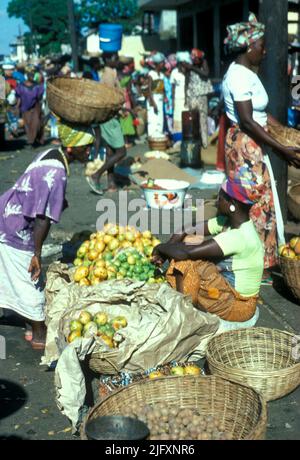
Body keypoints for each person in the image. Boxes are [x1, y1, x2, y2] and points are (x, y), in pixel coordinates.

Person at [0, 122, 95, 349]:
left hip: (9, 213)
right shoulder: (57, 170)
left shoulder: (53, 154)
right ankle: (39, 330)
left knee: (14, 274)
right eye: (87, 147)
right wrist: (37, 253)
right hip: (14, 224)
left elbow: (38, 190)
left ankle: (26, 320)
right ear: (72, 148)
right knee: (30, 279)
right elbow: (42, 217)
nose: (90, 151)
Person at [222, 13, 300, 270]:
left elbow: (260, 114)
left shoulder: (246, 73)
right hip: (246, 146)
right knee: (255, 202)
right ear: (248, 45)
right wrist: (282, 149)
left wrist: (283, 130)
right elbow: (246, 120)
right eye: (261, 45)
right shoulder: (239, 76)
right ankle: (253, 263)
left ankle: (258, 260)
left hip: (253, 141)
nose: (264, 51)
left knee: (260, 201)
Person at [152, 179, 264, 323]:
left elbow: (186, 253)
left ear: (232, 204)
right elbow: (187, 229)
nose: (217, 201)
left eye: (221, 197)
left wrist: (160, 247)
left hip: (238, 306)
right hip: (226, 292)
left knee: (187, 262)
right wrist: (166, 250)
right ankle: (187, 300)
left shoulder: (239, 237)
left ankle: (184, 312)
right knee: (189, 243)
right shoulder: (229, 223)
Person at [86, 53, 127, 194]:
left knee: (110, 152)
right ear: (108, 60)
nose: (117, 61)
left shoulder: (110, 73)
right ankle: (95, 175)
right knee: (122, 152)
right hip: (110, 116)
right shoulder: (108, 75)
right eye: (115, 58)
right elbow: (110, 97)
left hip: (109, 116)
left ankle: (111, 184)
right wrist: (121, 108)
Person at [186, 49, 213, 148]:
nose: (196, 61)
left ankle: (204, 143)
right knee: (193, 120)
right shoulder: (189, 66)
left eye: (198, 59)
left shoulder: (203, 63)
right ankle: (195, 141)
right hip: (192, 96)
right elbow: (186, 81)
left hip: (202, 96)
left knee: (203, 120)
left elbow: (206, 74)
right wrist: (186, 98)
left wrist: (193, 68)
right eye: (195, 59)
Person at [15, 71, 44, 146]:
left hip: (35, 107)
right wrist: (17, 107)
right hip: (24, 108)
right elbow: (18, 97)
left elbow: (39, 97)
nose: (32, 77)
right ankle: (31, 140)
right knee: (27, 125)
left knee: (36, 123)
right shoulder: (21, 86)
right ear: (27, 76)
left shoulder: (37, 86)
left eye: (33, 75)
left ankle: (35, 139)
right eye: (30, 75)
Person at [170, 52, 191, 135]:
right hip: (178, 99)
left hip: (187, 99)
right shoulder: (174, 72)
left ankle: (187, 135)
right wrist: (173, 102)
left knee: (187, 118)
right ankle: (178, 137)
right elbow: (173, 88)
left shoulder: (188, 73)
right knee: (178, 118)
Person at [147, 52, 166, 138]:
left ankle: (159, 134)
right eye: (162, 63)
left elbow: (162, 88)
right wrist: (152, 102)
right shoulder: (151, 74)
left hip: (160, 99)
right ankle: (153, 136)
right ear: (157, 64)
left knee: (160, 118)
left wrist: (164, 96)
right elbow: (149, 89)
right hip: (153, 98)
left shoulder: (161, 75)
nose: (163, 64)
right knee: (153, 118)